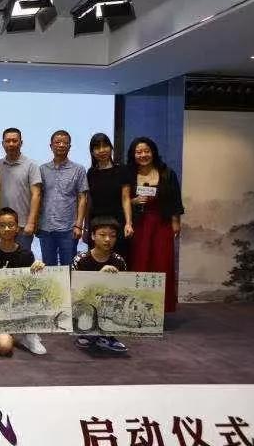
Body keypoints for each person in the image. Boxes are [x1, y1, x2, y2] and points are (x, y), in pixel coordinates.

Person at [127, 136, 184, 314]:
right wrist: (134, 201)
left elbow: (175, 199)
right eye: (139, 152)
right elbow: (122, 200)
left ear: (153, 152)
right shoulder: (128, 173)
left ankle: (159, 311)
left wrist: (175, 222)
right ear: (133, 155)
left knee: (162, 264)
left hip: (162, 224)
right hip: (139, 225)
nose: (143, 155)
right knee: (139, 263)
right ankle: (136, 309)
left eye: (146, 151)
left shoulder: (167, 173)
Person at [0, 207, 47, 355]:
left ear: (17, 228)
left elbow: (33, 285)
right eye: (2, 225)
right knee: (4, 347)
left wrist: (39, 270)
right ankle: (8, 334)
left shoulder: (26, 254)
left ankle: (28, 334)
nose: (7, 229)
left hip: (20, 308)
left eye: (11, 225)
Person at [72, 216, 129, 353]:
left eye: (112, 236)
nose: (107, 239)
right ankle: (85, 332)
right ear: (92, 236)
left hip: (108, 302)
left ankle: (107, 335)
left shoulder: (119, 261)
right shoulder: (80, 260)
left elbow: (124, 290)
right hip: (85, 302)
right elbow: (75, 290)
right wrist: (99, 277)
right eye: (102, 235)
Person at [38, 130, 89, 266]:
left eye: (64, 143)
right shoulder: (42, 169)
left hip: (69, 229)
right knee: (48, 268)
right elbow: (38, 197)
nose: (61, 145)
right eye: (57, 142)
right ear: (51, 146)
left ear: (69, 146)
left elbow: (82, 198)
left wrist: (79, 225)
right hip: (46, 228)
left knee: (68, 267)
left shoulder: (78, 169)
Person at [86, 133, 133, 258]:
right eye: (97, 147)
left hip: (117, 222)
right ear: (92, 152)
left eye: (105, 146)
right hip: (96, 222)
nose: (102, 150)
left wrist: (128, 223)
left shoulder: (122, 170)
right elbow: (89, 201)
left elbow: (125, 198)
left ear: (111, 148)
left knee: (118, 257)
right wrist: (86, 226)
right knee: (96, 259)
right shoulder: (91, 173)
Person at [0, 127, 42, 252]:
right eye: (7, 141)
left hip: (23, 227)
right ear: (3, 143)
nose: (11, 144)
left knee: (22, 261)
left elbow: (36, 195)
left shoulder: (31, 165)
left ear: (21, 143)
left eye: (14, 141)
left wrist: (31, 222)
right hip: (2, 227)